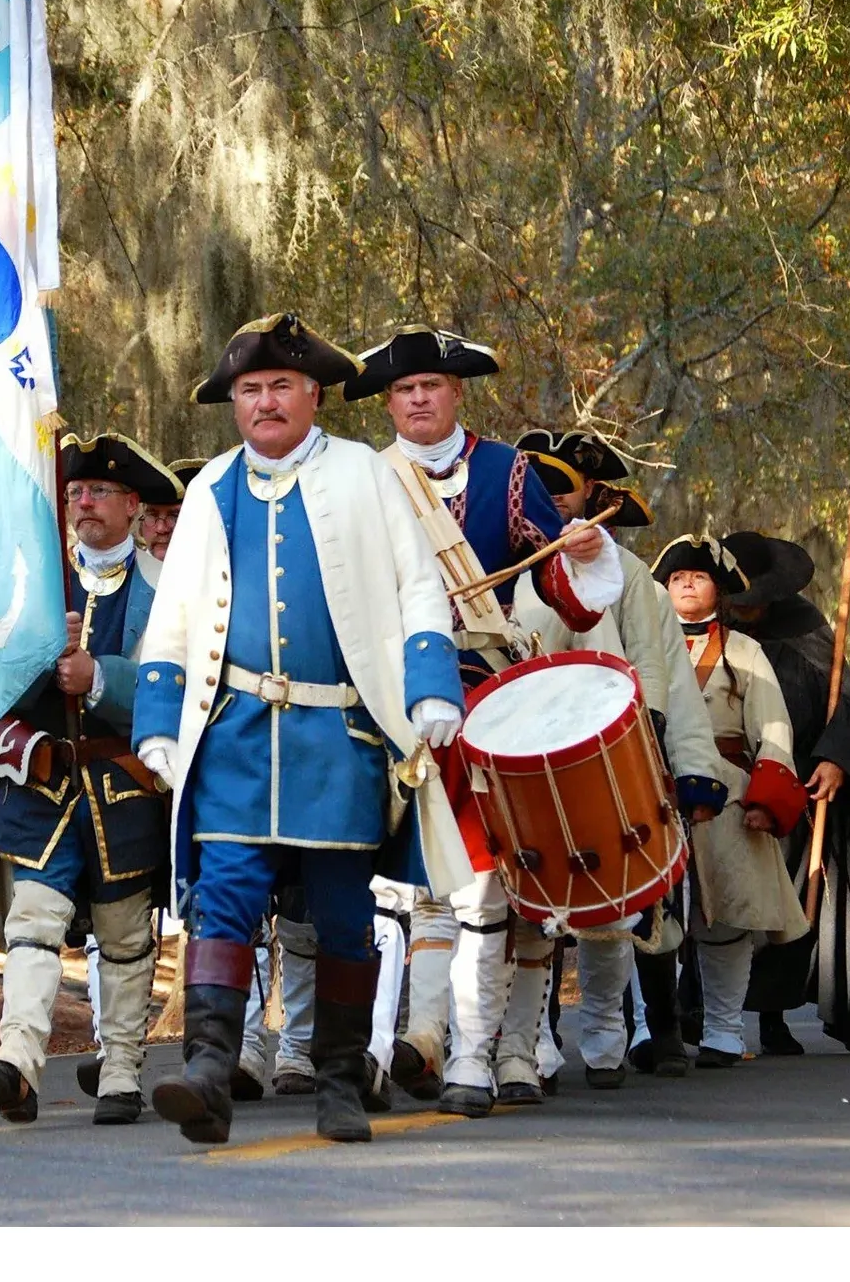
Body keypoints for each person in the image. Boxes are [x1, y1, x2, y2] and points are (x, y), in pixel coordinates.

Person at [132, 313, 472, 1145]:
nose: (265, 403)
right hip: (236, 735)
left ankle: (339, 1081)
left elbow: (418, 586)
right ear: (234, 405)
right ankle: (208, 1071)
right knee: (224, 900)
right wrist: (159, 722)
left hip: (339, 738)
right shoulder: (210, 486)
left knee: (343, 914)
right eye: (250, 390)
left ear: (314, 394)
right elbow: (171, 619)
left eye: (282, 386)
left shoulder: (366, 473)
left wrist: (431, 686)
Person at [339, 328, 627, 1117]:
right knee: (415, 889)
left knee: (493, 885)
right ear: (389, 402)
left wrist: (588, 551)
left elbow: (570, 598)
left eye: (431, 385)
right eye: (403, 391)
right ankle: (417, 1041)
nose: (418, 399)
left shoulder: (511, 472)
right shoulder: (363, 479)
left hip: (489, 699)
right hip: (389, 698)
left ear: (457, 392)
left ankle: (483, 1051)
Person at [0, 431, 179, 1127]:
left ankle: (120, 1072)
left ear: (134, 506)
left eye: (100, 492)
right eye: (76, 492)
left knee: (121, 936)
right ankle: (17, 1063)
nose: (84, 502)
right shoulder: (32, 580)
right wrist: (37, 668)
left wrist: (100, 679)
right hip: (43, 781)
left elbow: (181, 690)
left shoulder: (168, 588)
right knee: (34, 922)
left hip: (124, 786)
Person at [513, 428, 724, 1088]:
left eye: (566, 489)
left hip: (622, 751)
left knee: (631, 901)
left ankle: (630, 1033)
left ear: (595, 497)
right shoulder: (505, 565)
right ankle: (538, 1041)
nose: (555, 502)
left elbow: (665, 673)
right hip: (532, 752)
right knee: (535, 896)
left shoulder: (635, 580)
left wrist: (681, 758)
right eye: (540, 490)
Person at [722, 529, 850, 1056]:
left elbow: (847, 703)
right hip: (724, 784)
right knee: (715, 904)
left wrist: (836, 757)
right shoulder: (702, 628)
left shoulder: (807, 627)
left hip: (795, 793)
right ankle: (695, 1018)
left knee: (786, 902)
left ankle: (773, 1016)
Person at [653, 535, 809, 1067]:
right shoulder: (642, 648)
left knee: (726, 918)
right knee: (646, 916)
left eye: (697, 576)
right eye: (676, 578)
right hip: (650, 790)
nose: (686, 584)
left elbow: (774, 729)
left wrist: (767, 800)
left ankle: (723, 1032)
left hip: (726, 796)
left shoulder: (745, 652)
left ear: (718, 591)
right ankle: (646, 1033)